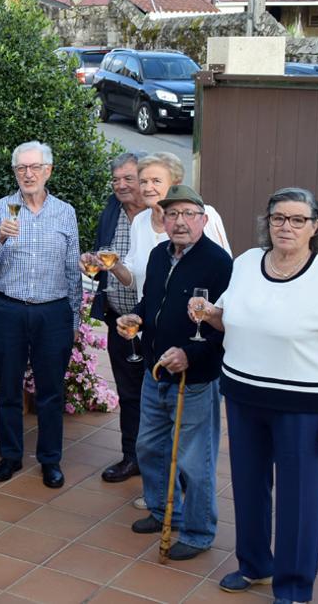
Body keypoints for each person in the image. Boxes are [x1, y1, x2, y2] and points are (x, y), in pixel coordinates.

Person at [197, 188, 318, 604]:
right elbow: (228, 321)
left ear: (315, 226)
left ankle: (293, 587)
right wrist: (208, 313)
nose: (285, 227)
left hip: (302, 406)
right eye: (277, 218)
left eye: (296, 219)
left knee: (300, 500)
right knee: (248, 486)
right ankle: (254, 565)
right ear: (266, 222)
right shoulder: (247, 263)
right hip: (242, 395)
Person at [114, 185, 231, 561]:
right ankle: (165, 513)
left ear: (204, 219)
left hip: (194, 380)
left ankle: (198, 533)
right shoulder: (158, 255)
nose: (179, 222)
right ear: (163, 220)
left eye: (188, 214)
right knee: (148, 447)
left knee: (195, 462)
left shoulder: (219, 262)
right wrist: (137, 318)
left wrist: (191, 354)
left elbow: (225, 324)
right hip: (156, 371)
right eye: (173, 214)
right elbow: (152, 302)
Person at [0, 140, 80, 489]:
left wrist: (75, 320)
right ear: (15, 172)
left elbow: (72, 270)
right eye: (21, 168)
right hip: (8, 309)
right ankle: (10, 456)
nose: (28, 174)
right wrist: (1, 240)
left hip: (53, 311)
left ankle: (50, 460)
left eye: (35, 167)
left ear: (48, 170)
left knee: (51, 391)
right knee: (9, 387)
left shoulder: (65, 212)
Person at [88, 152, 149, 484]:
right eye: (116, 180)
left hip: (152, 321)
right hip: (119, 317)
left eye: (129, 178)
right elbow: (103, 254)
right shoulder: (112, 211)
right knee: (128, 391)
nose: (121, 185)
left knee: (157, 392)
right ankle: (132, 457)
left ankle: (163, 460)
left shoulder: (159, 216)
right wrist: (93, 262)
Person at [106, 152, 230, 300]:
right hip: (150, 321)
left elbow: (226, 275)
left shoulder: (201, 214)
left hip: (193, 319)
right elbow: (136, 281)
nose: (147, 188)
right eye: (143, 182)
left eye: (156, 181)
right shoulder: (140, 221)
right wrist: (114, 265)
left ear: (175, 184)